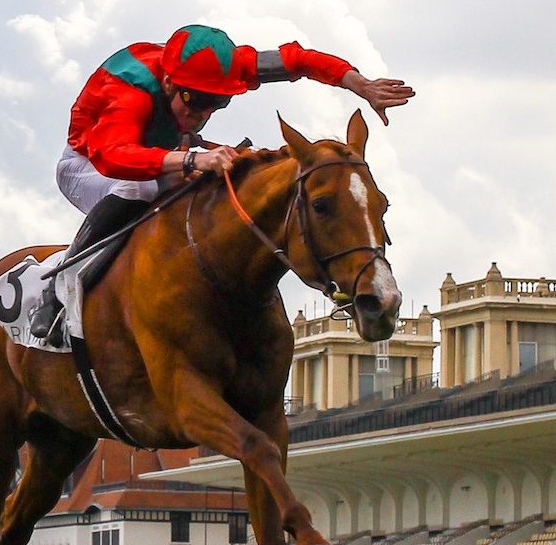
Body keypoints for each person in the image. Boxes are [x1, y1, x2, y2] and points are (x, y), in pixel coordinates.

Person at [28, 23, 415, 340]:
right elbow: (113, 157)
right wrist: (193, 157)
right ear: (167, 84)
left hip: (164, 150)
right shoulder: (129, 92)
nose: (203, 112)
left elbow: (299, 60)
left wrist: (358, 84)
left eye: (217, 103)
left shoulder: (231, 66)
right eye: (194, 101)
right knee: (141, 188)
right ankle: (57, 288)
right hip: (90, 164)